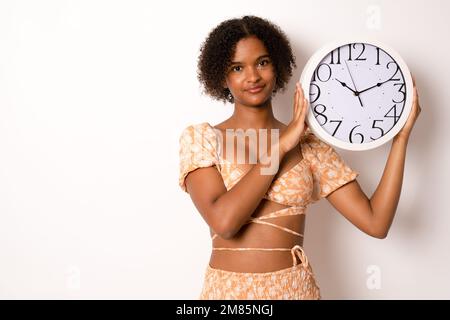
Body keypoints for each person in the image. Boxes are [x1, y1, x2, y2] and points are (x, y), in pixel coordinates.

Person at [178, 15, 421, 300]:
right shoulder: (202, 139)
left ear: (277, 66)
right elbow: (225, 222)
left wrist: (400, 139)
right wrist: (281, 147)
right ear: (222, 76)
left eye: (263, 62)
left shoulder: (310, 146)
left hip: (294, 290)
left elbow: (376, 223)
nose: (253, 76)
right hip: (227, 293)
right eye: (237, 67)